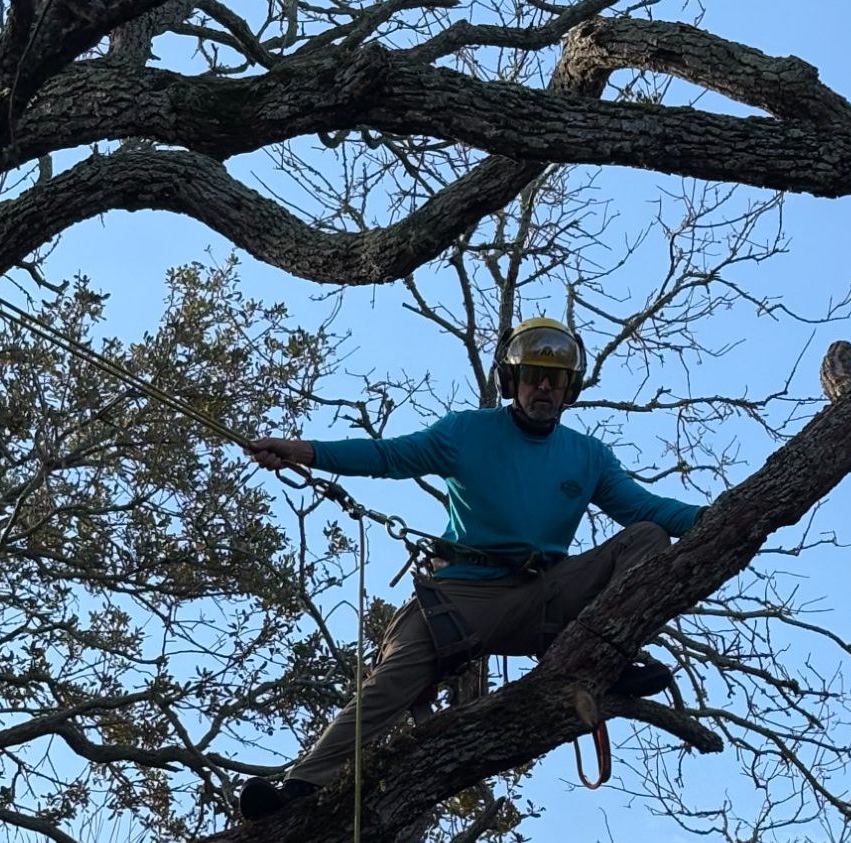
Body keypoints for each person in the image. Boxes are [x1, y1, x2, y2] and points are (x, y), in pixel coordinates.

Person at [238, 317, 705, 821]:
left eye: (555, 380)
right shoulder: (468, 432)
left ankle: (607, 659)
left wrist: (722, 516)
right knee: (390, 681)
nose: (543, 388)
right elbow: (389, 455)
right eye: (532, 376)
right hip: (462, 595)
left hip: (545, 595)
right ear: (512, 382)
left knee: (647, 540)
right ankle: (301, 789)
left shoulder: (587, 456)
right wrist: (305, 452)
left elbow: (649, 510)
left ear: (569, 388)